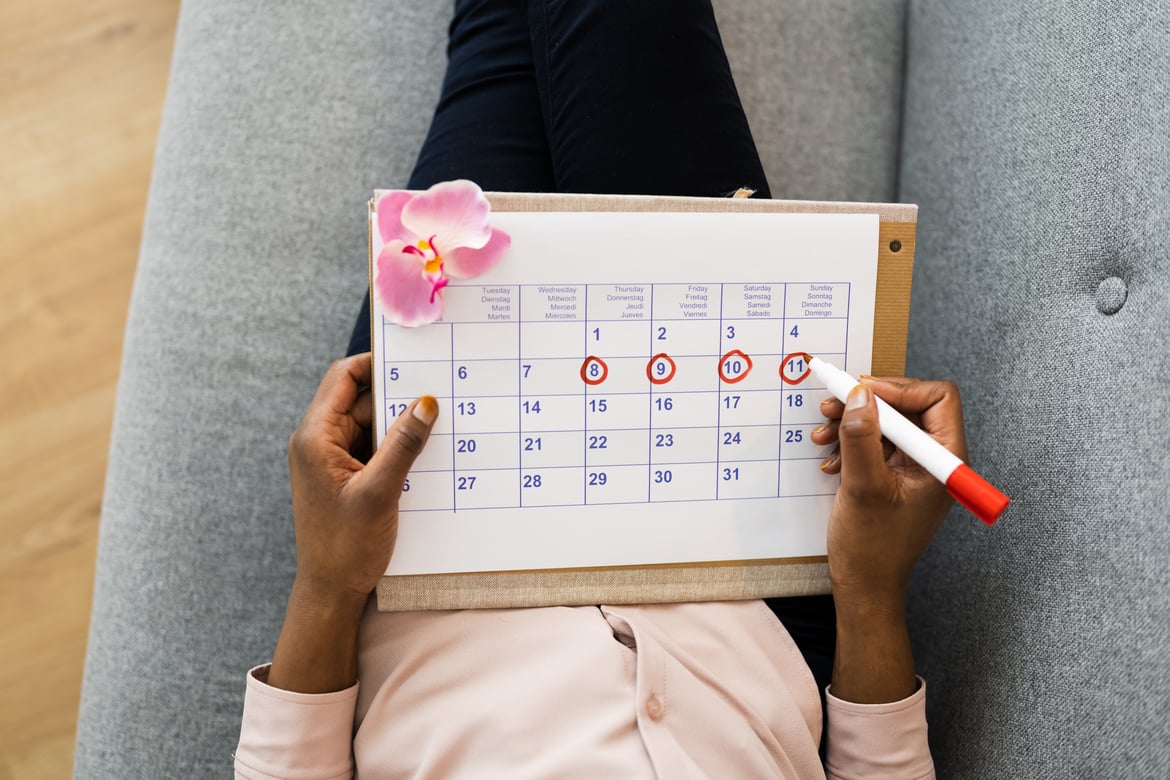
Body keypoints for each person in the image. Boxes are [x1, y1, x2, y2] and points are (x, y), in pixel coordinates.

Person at [235, 2, 962, 777]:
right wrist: (872, 584)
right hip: (750, 581)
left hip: (428, 556)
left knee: (499, 43)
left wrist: (327, 581)